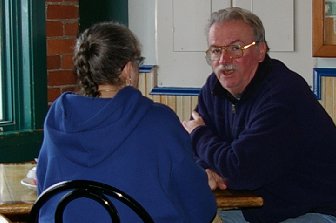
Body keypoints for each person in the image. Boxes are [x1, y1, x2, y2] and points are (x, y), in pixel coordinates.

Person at [36, 21, 218, 223]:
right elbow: (201, 208)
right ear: (127, 70)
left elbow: (44, 190)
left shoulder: (58, 117)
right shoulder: (158, 121)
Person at [182, 7, 336, 223]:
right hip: (254, 207)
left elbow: (239, 171)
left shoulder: (283, 94)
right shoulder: (213, 88)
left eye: (235, 48)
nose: (224, 59)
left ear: (261, 51)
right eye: (216, 50)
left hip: (314, 211)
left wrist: (198, 132)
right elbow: (191, 149)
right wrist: (206, 169)